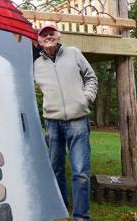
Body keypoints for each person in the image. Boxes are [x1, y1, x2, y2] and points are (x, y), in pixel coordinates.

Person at [33, 24, 97, 221]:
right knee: (56, 168)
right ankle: (61, 208)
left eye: (51, 33)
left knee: (81, 172)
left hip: (78, 120)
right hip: (52, 122)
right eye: (44, 35)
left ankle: (80, 216)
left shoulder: (73, 53)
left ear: (58, 36)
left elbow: (91, 77)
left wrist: (85, 98)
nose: (48, 37)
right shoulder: (36, 65)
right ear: (39, 41)